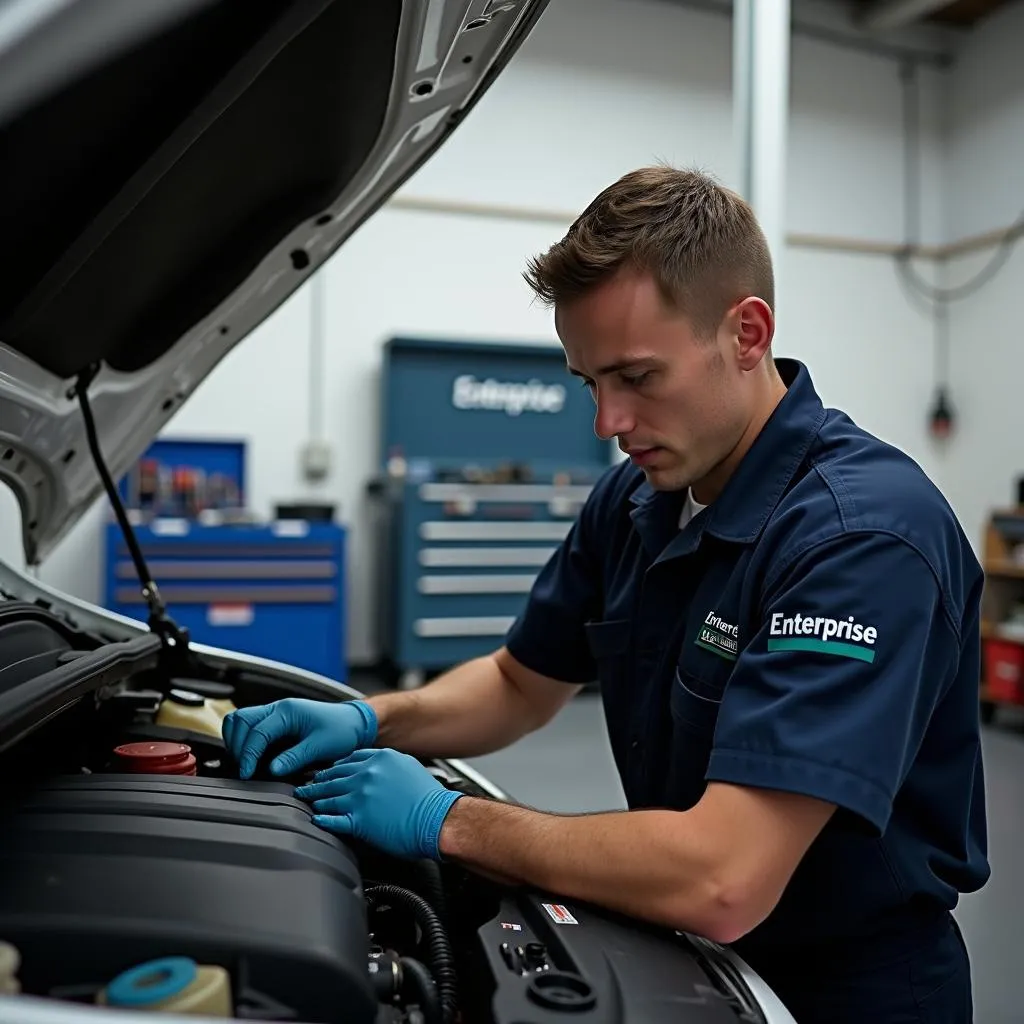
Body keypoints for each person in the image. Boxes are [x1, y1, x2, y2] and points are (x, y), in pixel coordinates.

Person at [223, 167, 990, 1023]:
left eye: (636, 378)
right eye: (590, 383)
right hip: (682, 947)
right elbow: (521, 683)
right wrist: (372, 718)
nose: (607, 424)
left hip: (845, 992)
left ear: (747, 332)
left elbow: (723, 875)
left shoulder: (861, 538)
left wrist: (451, 820)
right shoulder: (636, 502)